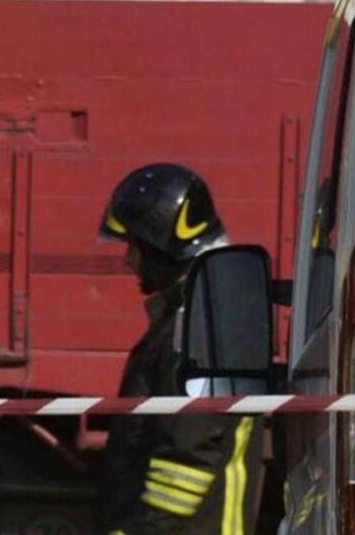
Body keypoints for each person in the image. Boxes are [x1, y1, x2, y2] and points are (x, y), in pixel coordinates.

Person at [96, 163, 263, 535]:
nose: (129, 261)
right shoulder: (201, 314)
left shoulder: (204, 326)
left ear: (161, 248)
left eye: (135, 248)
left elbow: (188, 454)